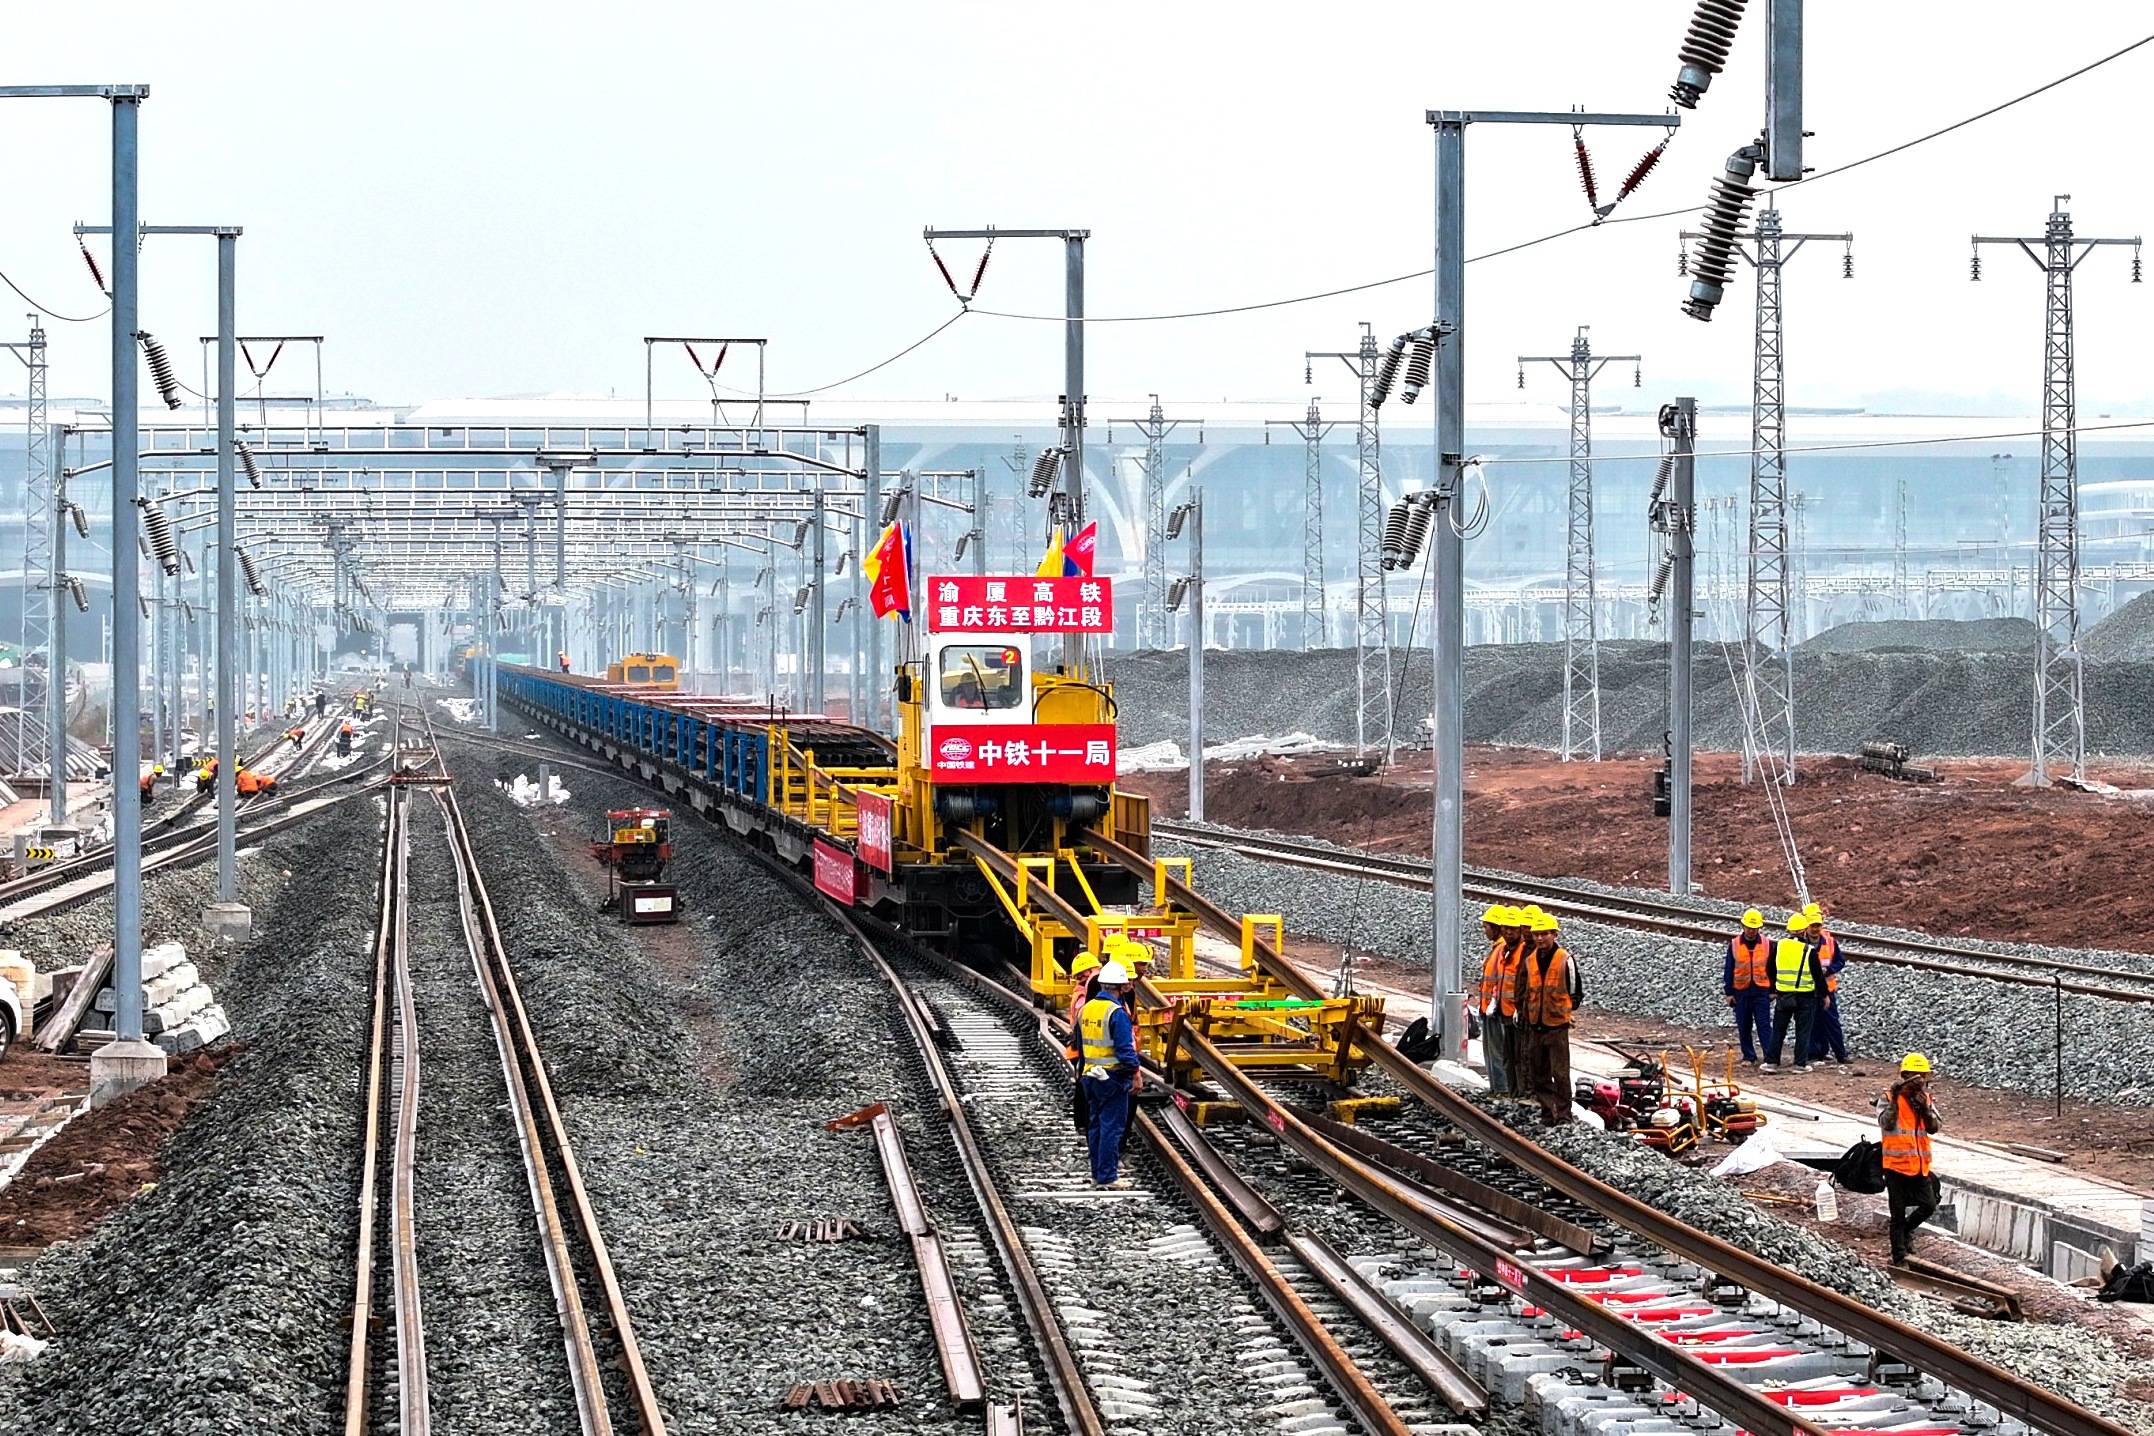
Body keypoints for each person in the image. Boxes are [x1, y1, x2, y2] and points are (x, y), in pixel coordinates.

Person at [1510, 909, 1581, 1125]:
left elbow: (1576, 991)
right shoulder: (1530, 960)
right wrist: (1522, 1012)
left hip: (1556, 1026)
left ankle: (1564, 1114)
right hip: (1534, 1025)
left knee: (1560, 1073)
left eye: (1545, 934)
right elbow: (1521, 989)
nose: (1540, 938)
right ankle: (1548, 1112)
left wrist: (1564, 1010)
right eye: (1537, 934)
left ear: (1554, 935)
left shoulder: (1565, 959)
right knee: (1538, 1072)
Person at [1077, 960, 1141, 1188]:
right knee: (1111, 1127)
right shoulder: (1116, 1013)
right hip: (1112, 1077)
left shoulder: (1086, 1009)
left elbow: (1080, 1045)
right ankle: (1107, 1177)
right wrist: (1135, 1073)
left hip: (1089, 1076)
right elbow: (1125, 1050)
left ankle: (1097, 1174)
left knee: (1094, 1126)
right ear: (1121, 986)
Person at [1879, 1053, 1944, 1264]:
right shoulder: (1889, 1097)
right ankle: (1899, 1256)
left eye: (1922, 1076)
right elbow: (1885, 1123)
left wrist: (1925, 1109)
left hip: (1918, 1166)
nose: (1919, 1080)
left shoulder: (1924, 1099)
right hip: (1896, 1167)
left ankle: (1906, 1232)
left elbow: (1934, 1128)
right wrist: (1896, 1101)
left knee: (1929, 1205)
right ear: (1904, 1075)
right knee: (1897, 1213)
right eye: (1914, 1076)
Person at [1761, 913, 1825, 1074]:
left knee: (1778, 1030)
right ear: (1804, 930)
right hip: (1805, 997)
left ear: (1789, 930)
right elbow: (1818, 975)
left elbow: (1770, 969)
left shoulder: (1779, 946)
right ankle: (1800, 1064)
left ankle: (1772, 1062)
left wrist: (1775, 988)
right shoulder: (1809, 950)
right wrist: (1824, 994)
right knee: (1803, 1031)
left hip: (1784, 995)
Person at [1476, 903, 1521, 1095]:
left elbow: (1499, 982)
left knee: (1498, 1053)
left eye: (1486, 926)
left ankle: (1501, 1089)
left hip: (1499, 1010)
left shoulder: (1502, 950)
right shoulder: (1499, 949)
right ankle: (1498, 1088)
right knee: (1495, 1052)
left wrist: (1492, 1006)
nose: (1484, 930)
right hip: (1494, 1008)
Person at [1723, 908, 1774, 1065]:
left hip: (1761, 990)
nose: (1752, 931)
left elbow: (1773, 968)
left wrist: (1774, 990)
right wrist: (1729, 992)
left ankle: (1770, 1056)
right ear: (1743, 926)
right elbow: (1729, 969)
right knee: (1744, 1024)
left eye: (1755, 928)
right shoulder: (1735, 945)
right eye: (1749, 927)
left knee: (1764, 1024)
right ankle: (1749, 1056)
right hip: (1741, 991)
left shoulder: (1767, 944)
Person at [1806, 901, 1851, 1065]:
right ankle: (1815, 1053)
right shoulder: (1800, 942)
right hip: (1808, 990)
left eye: (1818, 925)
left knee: (1831, 1022)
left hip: (1827, 989)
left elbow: (1840, 961)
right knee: (1812, 1023)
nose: (1815, 929)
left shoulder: (1830, 942)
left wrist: (1829, 970)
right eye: (1812, 925)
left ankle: (1840, 1054)